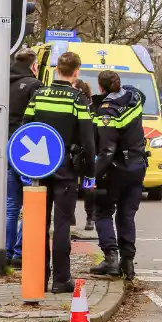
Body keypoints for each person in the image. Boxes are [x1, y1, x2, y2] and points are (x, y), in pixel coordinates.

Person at [21, 51, 96, 293]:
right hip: (66, 169)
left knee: (39, 224)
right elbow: (87, 140)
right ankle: (61, 279)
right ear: (76, 72)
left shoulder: (39, 95)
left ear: (56, 70)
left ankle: (38, 276)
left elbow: (26, 128)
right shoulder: (77, 99)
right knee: (62, 224)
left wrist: (25, 166)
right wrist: (89, 173)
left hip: (40, 169)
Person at [88, 70, 148, 279]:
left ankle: (111, 258)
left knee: (103, 212)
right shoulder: (135, 98)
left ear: (101, 86)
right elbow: (139, 93)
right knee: (126, 215)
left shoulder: (107, 112)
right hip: (138, 166)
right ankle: (128, 263)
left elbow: (106, 150)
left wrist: (93, 175)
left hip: (115, 170)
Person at [5, 49, 43, 269]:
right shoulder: (34, 86)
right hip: (27, 149)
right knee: (31, 203)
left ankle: (7, 251)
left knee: (11, 205)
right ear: (34, 65)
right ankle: (20, 252)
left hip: (5, 146)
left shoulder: (2, 82)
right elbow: (36, 118)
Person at [73, 78, 98, 232]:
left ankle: (91, 217)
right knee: (70, 185)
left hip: (89, 153)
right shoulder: (72, 105)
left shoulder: (94, 108)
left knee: (88, 187)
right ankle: (70, 214)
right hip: (74, 151)